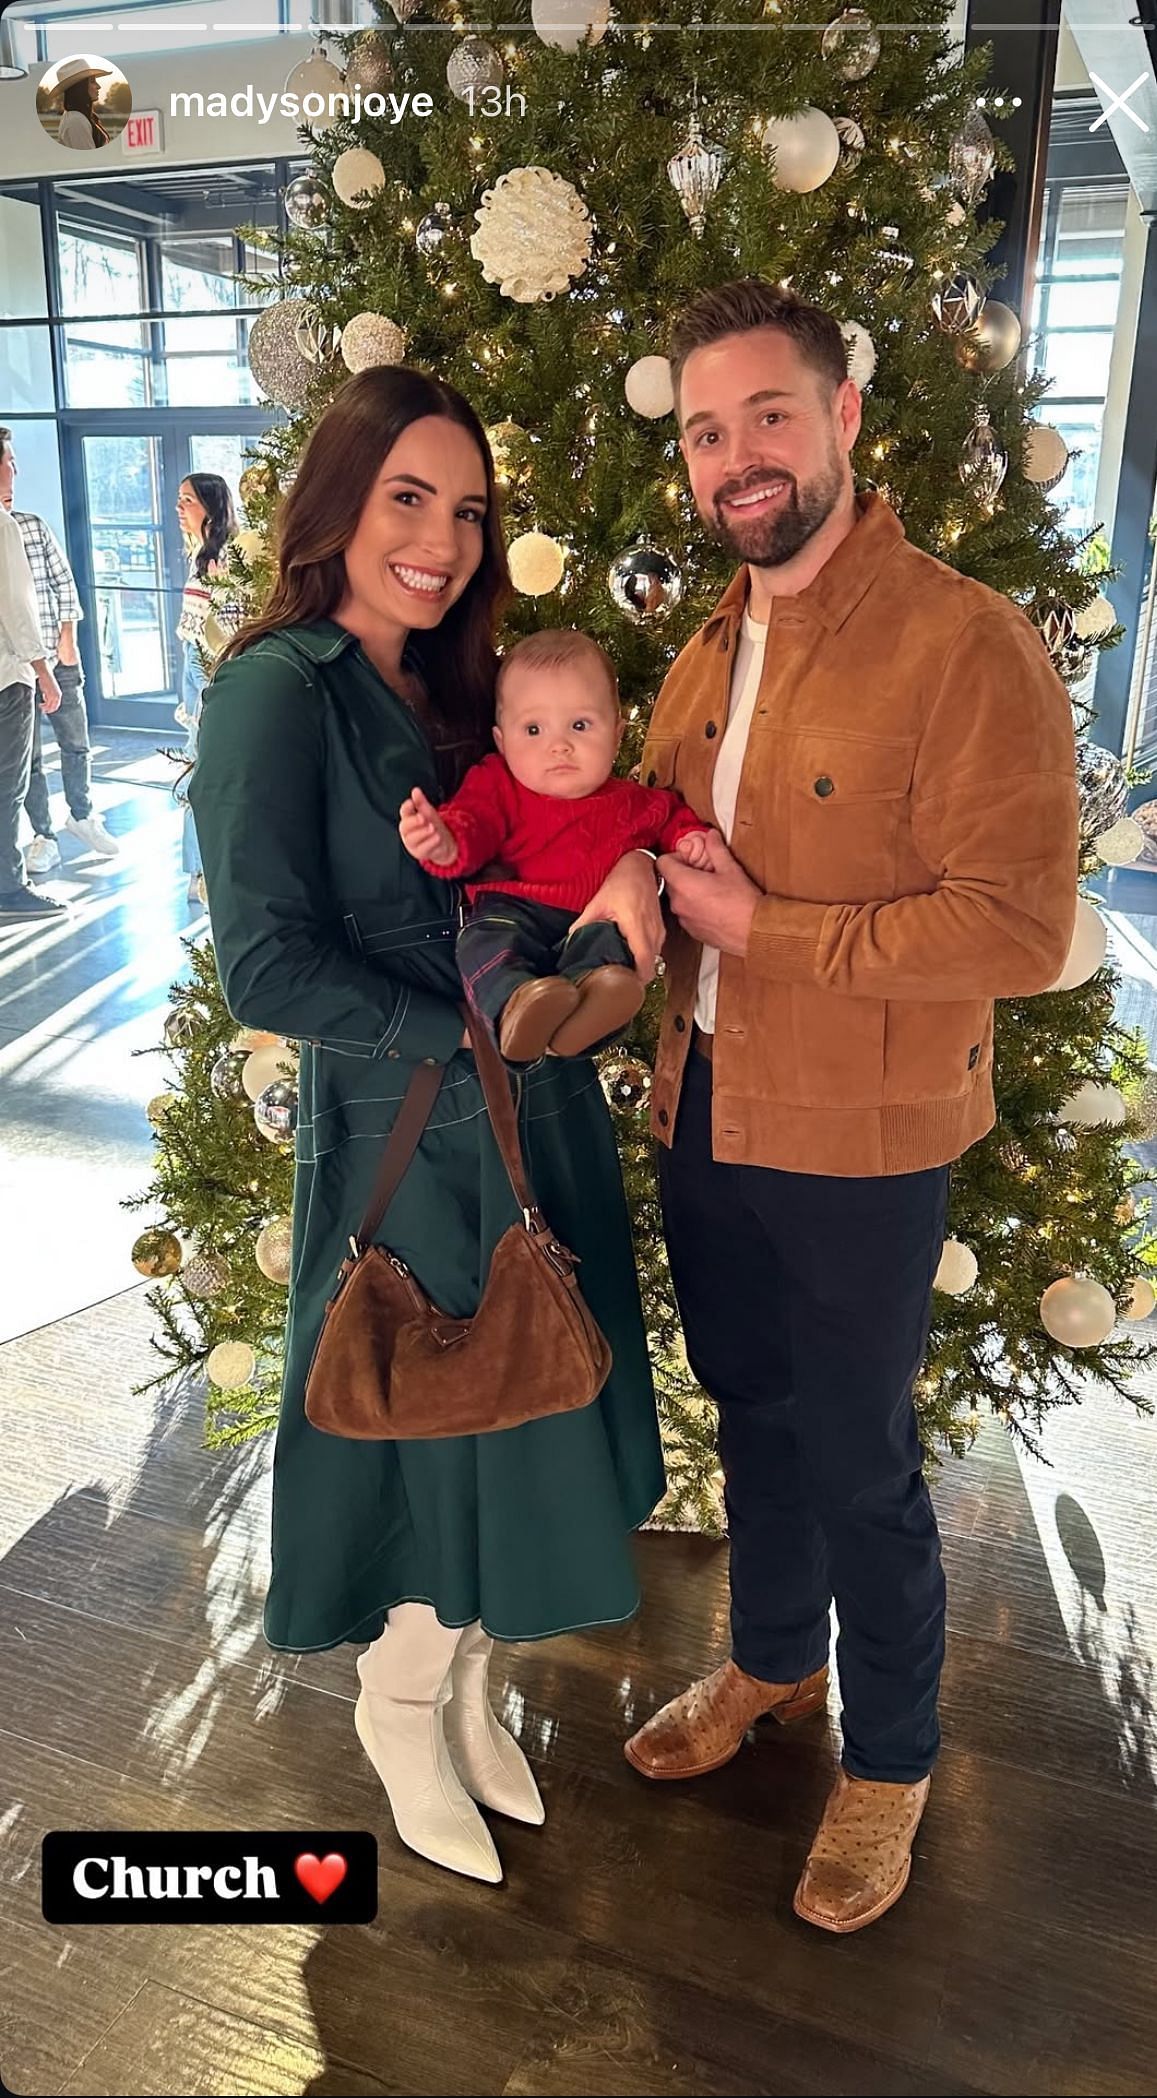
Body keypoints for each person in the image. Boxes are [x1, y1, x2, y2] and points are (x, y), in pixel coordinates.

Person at [623, 279, 1079, 1933]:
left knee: (861, 1456)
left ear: (842, 422)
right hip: (705, 1105)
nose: (735, 456)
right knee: (751, 1418)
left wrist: (769, 928)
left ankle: (888, 1752)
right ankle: (769, 1663)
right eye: (703, 428)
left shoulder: (963, 639)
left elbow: (1021, 924)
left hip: (864, 1138)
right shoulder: (703, 640)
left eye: (765, 416)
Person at [188, 366, 666, 1888]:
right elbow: (261, 963)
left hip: (530, 1118)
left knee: (521, 1415)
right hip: (404, 1134)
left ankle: (467, 1688)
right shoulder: (278, 687)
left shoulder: (463, 692)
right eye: (409, 497)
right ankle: (399, 1707)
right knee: (423, 1425)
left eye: (466, 510)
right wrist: (454, 1032)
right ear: (336, 501)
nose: (444, 539)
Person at [400, 626, 710, 1062]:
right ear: (501, 742)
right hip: (516, 911)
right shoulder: (498, 784)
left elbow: (673, 819)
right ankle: (516, 1005)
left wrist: (691, 838)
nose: (559, 746)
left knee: (609, 945)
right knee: (482, 942)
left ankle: (590, 1006)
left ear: (618, 734)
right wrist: (443, 841)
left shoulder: (636, 802)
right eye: (533, 729)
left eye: (580, 725)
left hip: (592, 915)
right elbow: (473, 824)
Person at [0, 428, 118, 871]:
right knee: (26, 760)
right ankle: (42, 835)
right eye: (10, 461)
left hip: (55, 658)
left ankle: (83, 815)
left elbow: (64, 586)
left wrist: (67, 647)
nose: (16, 471)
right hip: (16, 670)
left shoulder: (31, 527)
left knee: (75, 742)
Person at [0, 504, 66, 923]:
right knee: (8, 784)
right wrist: (43, 671)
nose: (15, 470)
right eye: (9, 460)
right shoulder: (3, 525)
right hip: (6, 676)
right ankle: (8, 886)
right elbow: (16, 605)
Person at [175, 472, 235, 903]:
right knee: (193, 770)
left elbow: (231, 623)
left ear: (211, 506)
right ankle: (198, 870)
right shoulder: (198, 552)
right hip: (193, 662)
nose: (180, 508)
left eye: (188, 500)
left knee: (203, 774)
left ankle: (204, 872)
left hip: (210, 666)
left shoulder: (227, 556)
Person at [51, 59, 113, 150]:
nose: (98, 86)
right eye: (92, 81)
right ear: (80, 88)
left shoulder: (79, 116)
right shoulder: (77, 120)